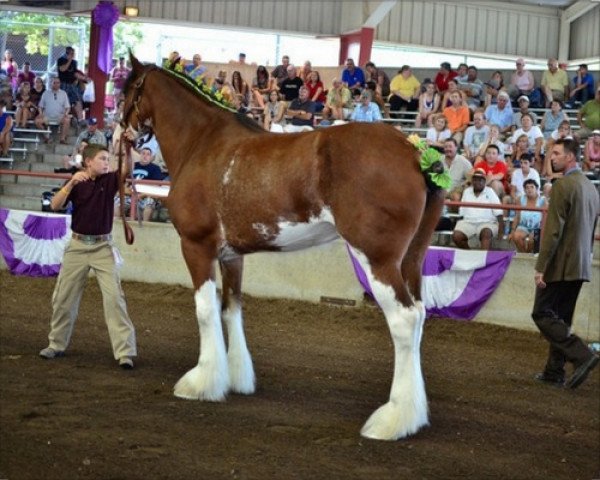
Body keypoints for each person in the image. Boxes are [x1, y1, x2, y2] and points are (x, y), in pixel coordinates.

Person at [39, 143, 137, 369]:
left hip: (103, 247)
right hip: (77, 245)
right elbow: (55, 206)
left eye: (108, 159)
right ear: (88, 162)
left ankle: (125, 352)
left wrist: (129, 145)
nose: (107, 162)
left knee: (114, 299)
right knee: (64, 298)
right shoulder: (76, 182)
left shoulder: (110, 180)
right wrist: (71, 182)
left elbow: (126, 169)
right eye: (103, 159)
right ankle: (56, 344)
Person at [531, 138, 600, 389]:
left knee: (542, 313)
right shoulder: (591, 188)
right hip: (581, 264)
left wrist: (541, 267)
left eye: (557, 153)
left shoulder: (563, 186)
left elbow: (552, 232)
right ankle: (554, 370)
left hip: (561, 264)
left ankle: (582, 355)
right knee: (561, 318)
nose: (552, 158)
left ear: (571, 157)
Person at [452, 168, 504, 250]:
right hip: (468, 222)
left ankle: (482, 259)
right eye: (475, 180)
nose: (478, 182)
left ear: (484, 182)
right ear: (472, 181)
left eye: (480, 180)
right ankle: (470, 255)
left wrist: (501, 230)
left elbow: (499, 212)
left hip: (487, 222)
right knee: (456, 236)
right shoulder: (466, 192)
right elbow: (461, 212)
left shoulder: (490, 191)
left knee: (486, 233)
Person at [508, 178, 545, 253]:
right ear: (524, 190)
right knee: (516, 236)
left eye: (532, 187)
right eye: (527, 187)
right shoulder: (520, 199)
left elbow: (546, 218)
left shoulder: (543, 200)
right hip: (523, 226)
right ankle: (525, 254)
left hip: (538, 226)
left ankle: (527, 254)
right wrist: (512, 230)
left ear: (537, 189)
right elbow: (517, 216)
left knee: (534, 238)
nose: (529, 189)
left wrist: (541, 229)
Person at [35, 77, 71, 144]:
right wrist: (40, 113)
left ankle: (62, 139)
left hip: (59, 116)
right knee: (37, 121)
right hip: (47, 116)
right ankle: (47, 138)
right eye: (54, 83)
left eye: (58, 83)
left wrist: (65, 114)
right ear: (51, 83)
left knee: (67, 120)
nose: (56, 84)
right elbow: (40, 106)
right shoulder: (45, 93)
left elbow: (68, 107)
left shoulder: (64, 93)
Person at [57, 46, 88, 125]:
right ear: (68, 53)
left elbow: (74, 73)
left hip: (72, 84)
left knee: (77, 99)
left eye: (73, 53)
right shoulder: (61, 60)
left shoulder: (74, 62)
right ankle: (61, 118)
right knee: (62, 101)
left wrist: (84, 78)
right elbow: (62, 69)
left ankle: (80, 119)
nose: (73, 55)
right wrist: (69, 60)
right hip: (63, 84)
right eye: (72, 53)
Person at [441, 138, 472, 202]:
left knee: (456, 196)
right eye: (446, 147)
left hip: (455, 191)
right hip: (440, 191)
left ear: (456, 148)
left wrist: (463, 186)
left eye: (450, 146)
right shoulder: (439, 160)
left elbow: (471, 177)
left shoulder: (463, 161)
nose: (448, 149)